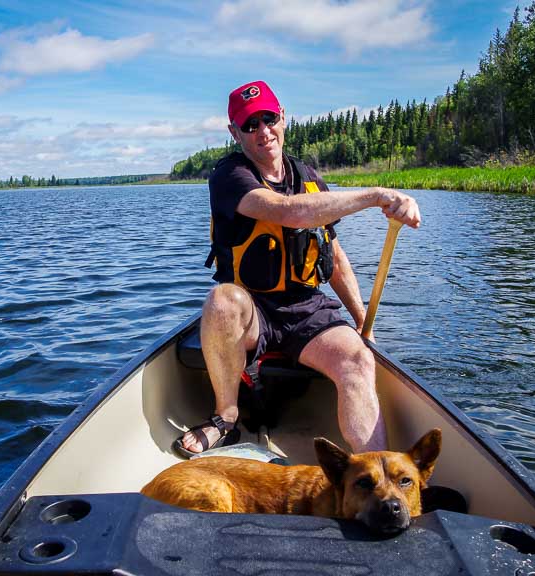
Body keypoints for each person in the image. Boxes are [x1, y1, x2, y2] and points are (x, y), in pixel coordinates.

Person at [176, 80, 421, 457]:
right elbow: (286, 213)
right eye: (250, 125)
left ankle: (374, 469)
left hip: (306, 308)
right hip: (252, 312)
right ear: (234, 133)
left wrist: (363, 324)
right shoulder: (228, 176)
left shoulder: (308, 178)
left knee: (358, 357)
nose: (263, 131)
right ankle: (225, 417)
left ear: (283, 118)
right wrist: (376, 196)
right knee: (222, 301)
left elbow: (335, 259)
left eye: (268, 118)